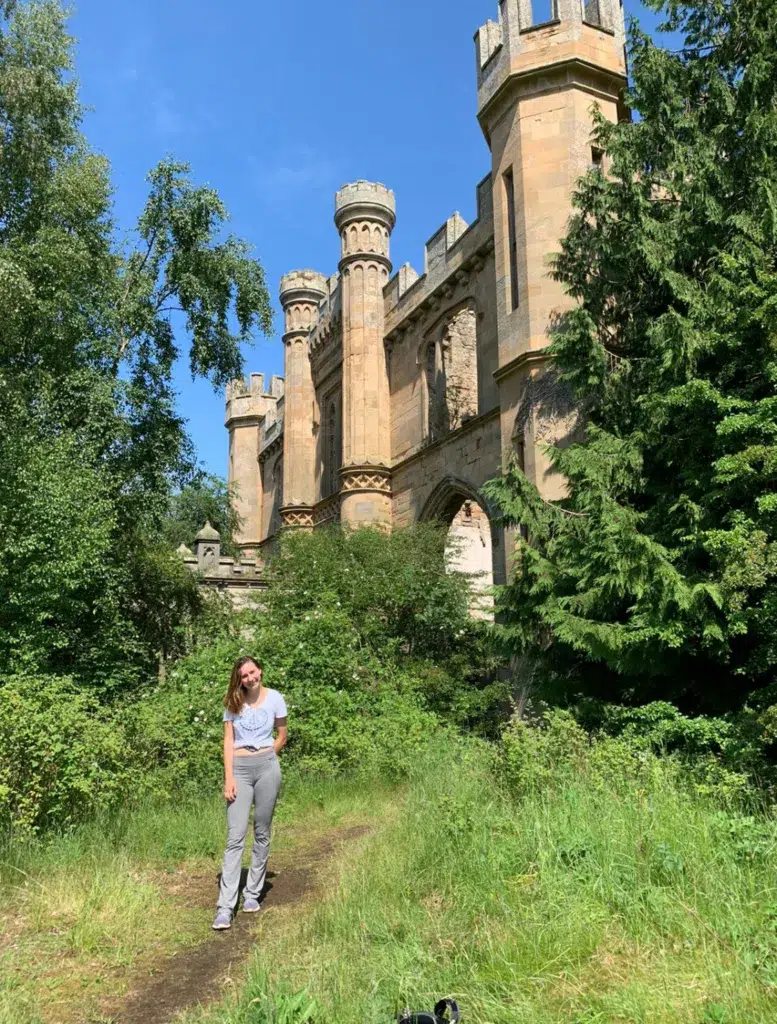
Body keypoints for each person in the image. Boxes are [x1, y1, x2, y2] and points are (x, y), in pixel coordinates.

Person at [212, 655, 288, 930]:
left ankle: (252, 893)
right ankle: (224, 907)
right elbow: (228, 739)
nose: (249, 678)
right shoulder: (233, 700)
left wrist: (269, 757)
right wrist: (229, 777)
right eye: (244, 675)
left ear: (260, 671)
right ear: (239, 678)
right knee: (235, 836)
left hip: (267, 767)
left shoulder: (276, 698)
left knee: (262, 830)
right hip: (240, 769)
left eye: (252, 672)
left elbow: (282, 734)